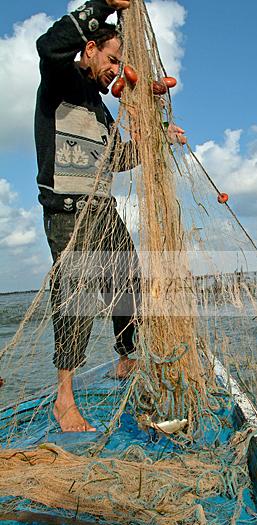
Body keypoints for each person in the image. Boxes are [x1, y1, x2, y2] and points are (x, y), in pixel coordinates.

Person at [35, 0, 185, 433]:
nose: (116, 70)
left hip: (103, 209)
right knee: (76, 295)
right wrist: (100, 5)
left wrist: (159, 140)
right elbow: (48, 46)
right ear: (90, 49)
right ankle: (65, 399)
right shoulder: (61, 80)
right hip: (70, 211)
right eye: (112, 60)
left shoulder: (101, 110)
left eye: (121, 63)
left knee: (128, 280)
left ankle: (125, 358)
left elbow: (115, 159)